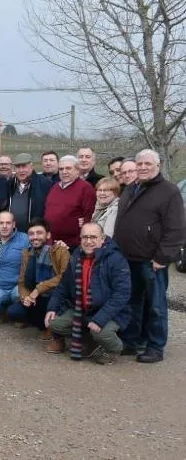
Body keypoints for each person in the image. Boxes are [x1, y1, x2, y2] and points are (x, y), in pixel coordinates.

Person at [115, 149, 186, 363]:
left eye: (148, 163)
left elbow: (176, 230)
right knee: (132, 303)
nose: (143, 167)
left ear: (158, 165)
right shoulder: (131, 188)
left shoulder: (169, 192)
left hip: (152, 261)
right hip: (128, 259)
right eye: (140, 163)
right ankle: (132, 341)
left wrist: (162, 258)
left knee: (156, 305)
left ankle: (155, 346)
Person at [45, 223, 131, 365]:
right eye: (85, 237)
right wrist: (52, 307)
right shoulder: (76, 257)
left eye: (93, 237)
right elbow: (63, 286)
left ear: (102, 239)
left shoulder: (116, 259)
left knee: (101, 332)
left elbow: (122, 294)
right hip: (82, 309)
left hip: (110, 312)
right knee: (53, 323)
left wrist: (100, 318)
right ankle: (89, 341)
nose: (88, 241)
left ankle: (114, 349)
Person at [7, 218, 69, 334]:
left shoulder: (60, 251)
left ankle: (52, 330)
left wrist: (39, 288)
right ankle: (41, 323)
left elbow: (64, 277)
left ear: (48, 235)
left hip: (56, 297)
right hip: (36, 298)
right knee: (13, 312)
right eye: (31, 234)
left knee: (50, 314)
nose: (35, 237)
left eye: (39, 233)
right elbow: (21, 281)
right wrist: (25, 297)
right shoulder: (27, 253)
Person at [44, 155, 95, 249]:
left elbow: (89, 216)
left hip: (73, 245)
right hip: (52, 242)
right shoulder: (54, 187)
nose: (64, 172)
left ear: (77, 170)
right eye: (61, 169)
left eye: (68, 168)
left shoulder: (85, 188)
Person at [7, 153, 52, 233]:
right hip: (12, 234)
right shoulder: (9, 184)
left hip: (34, 235)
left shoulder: (44, 184)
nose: (21, 170)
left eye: (24, 166)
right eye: (18, 167)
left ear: (31, 167)